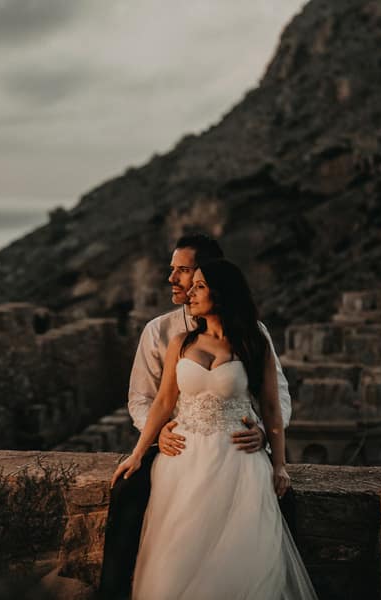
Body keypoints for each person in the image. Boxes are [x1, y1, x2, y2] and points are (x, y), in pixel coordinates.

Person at [97, 234, 292, 599]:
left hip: (238, 441)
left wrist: (265, 436)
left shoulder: (254, 335)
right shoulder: (160, 331)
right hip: (175, 442)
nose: (173, 279)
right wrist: (154, 436)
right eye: (173, 270)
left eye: (184, 271)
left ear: (211, 275)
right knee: (126, 493)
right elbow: (144, 400)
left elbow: (276, 398)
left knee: (281, 506)